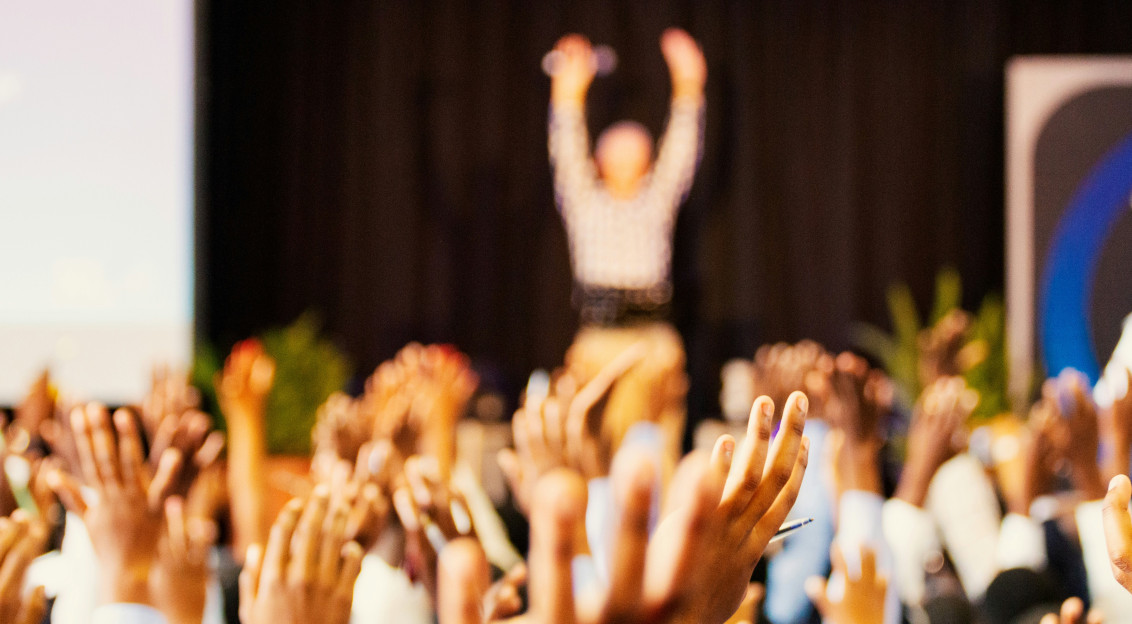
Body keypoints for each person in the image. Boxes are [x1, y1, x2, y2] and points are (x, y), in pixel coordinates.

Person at [546, 27, 706, 466]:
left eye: (637, 150)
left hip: (653, 341)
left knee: (655, 456)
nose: (627, 157)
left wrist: (689, 84)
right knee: (598, 452)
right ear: (599, 161)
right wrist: (568, 93)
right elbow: (566, 147)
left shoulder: (656, 202)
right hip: (600, 339)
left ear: (648, 160)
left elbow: (682, 152)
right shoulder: (585, 201)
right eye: (615, 151)